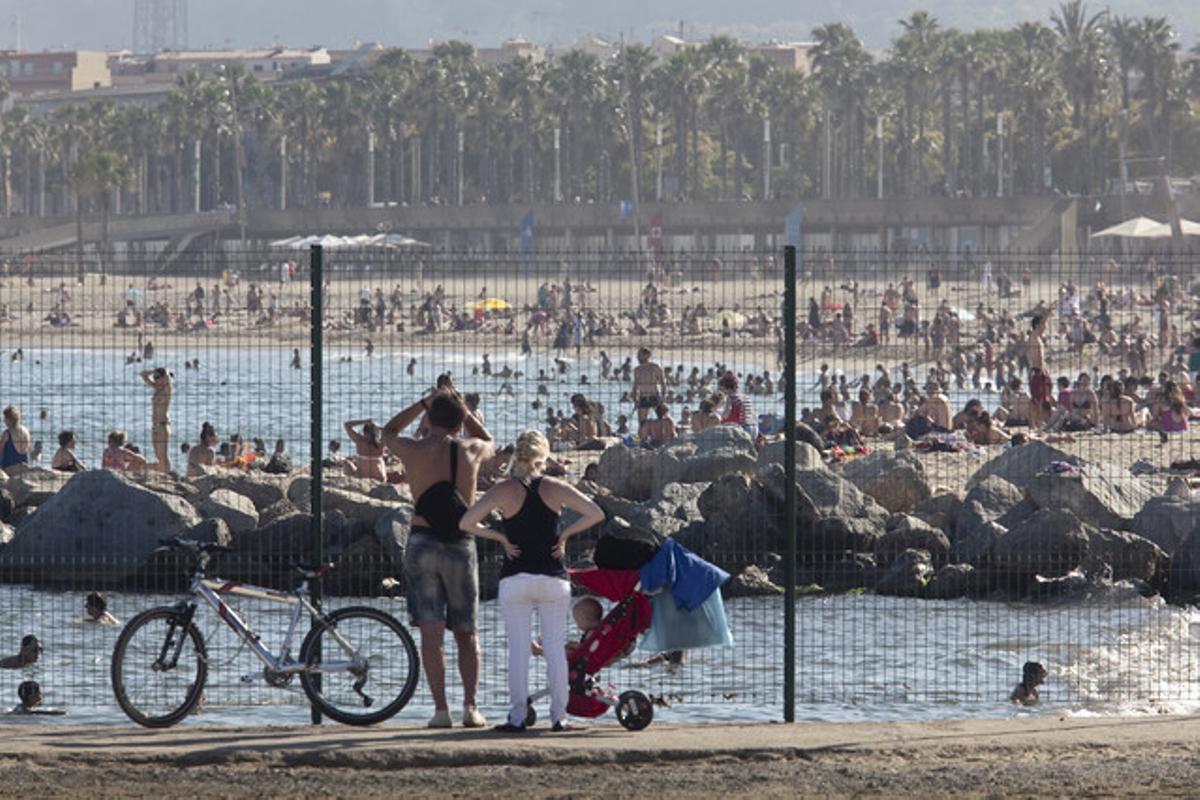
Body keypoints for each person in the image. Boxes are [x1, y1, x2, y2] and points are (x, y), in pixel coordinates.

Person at [458, 430, 605, 733]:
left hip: (516, 578)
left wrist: (500, 536)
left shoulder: (504, 489)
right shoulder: (554, 486)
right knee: (553, 649)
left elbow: (466, 522)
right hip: (552, 578)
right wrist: (564, 535)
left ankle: (516, 717)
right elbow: (595, 513)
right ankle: (559, 717)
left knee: (518, 650)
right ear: (543, 456)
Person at [381, 390, 494, 729]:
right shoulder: (470, 448)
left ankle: (440, 711)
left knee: (432, 633)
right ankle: (471, 708)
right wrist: (463, 412)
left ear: (429, 419)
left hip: (422, 540)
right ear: (459, 423)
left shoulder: (414, 450)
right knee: (467, 632)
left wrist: (422, 404)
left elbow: (387, 433)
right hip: (460, 541)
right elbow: (488, 439)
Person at [140, 367, 173, 473]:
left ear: (164, 378)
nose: (155, 379)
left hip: (163, 425)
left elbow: (168, 378)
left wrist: (165, 371)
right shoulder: (157, 389)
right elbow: (143, 374)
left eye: (158, 377)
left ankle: (167, 475)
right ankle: (162, 473)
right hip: (155, 426)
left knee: (163, 456)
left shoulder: (167, 390)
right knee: (159, 457)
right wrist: (154, 371)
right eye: (154, 378)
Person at [631, 347, 667, 425]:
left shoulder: (655, 367)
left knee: (663, 419)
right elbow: (635, 386)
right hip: (643, 397)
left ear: (647, 355)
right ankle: (642, 437)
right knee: (642, 423)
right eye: (637, 355)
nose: (637, 357)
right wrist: (635, 400)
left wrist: (663, 397)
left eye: (639, 355)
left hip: (654, 396)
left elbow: (662, 383)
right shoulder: (637, 370)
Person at [1027, 315, 1051, 429]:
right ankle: (1033, 423)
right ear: (1038, 325)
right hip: (1036, 371)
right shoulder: (1034, 336)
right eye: (1043, 324)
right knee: (1035, 399)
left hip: (1041, 371)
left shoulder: (1039, 338)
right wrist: (1048, 312)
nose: (1045, 327)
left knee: (1041, 398)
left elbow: (1042, 358)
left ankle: (1038, 422)